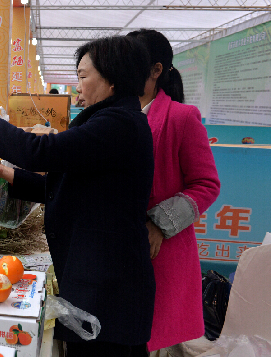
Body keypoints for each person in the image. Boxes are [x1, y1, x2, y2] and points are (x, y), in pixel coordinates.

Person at [0, 36, 155, 357]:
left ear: (112, 79)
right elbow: (62, 187)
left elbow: (40, 152)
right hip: (99, 276)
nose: (77, 87)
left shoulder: (118, 125)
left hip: (109, 286)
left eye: (82, 76)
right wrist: (8, 174)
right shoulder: (110, 120)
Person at [126, 29, 221, 353]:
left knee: (150, 340)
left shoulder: (182, 118)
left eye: (132, 60)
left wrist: (160, 224)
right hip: (119, 247)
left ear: (156, 70)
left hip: (160, 251)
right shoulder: (117, 114)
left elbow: (207, 184)